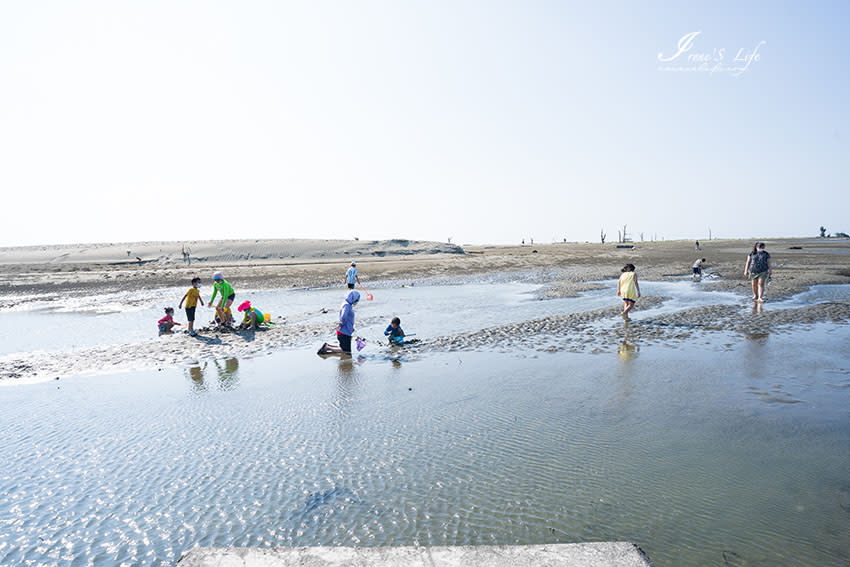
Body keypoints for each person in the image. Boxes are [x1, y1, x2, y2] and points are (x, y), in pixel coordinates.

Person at [318, 290, 360, 355]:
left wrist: (351, 328)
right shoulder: (347, 305)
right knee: (346, 351)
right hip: (343, 332)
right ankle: (327, 347)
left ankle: (327, 346)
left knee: (344, 349)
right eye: (356, 300)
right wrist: (341, 324)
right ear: (353, 298)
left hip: (346, 331)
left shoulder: (347, 304)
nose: (357, 302)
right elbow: (343, 317)